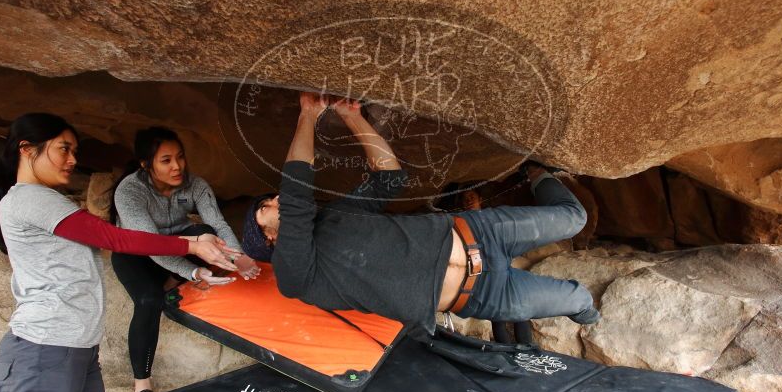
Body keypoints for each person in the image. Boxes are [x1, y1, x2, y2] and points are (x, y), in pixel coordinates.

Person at [0, 113, 238, 392]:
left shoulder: (45, 199)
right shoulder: (29, 200)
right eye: (64, 149)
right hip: (45, 349)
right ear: (27, 150)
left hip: (79, 349)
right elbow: (117, 239)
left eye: (74, 150)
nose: (73, 159)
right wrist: (191, 245)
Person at [243, 93, 599, 334]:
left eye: (270, 199)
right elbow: (295, 194)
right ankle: (595, 321)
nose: (274, 202)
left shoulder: (341, 213)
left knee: (575, 218)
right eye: (264, 209)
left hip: (481, 232)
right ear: (270, 240)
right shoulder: (295, 277)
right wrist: (308, 115)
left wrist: (352, 117)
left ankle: (536, 174)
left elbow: (389, 179)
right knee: (580, 300)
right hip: (483, 293)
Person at [110, 126, 259, 392]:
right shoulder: (130, 191)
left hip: (179, 243)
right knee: (149, 300)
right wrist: (193, 272)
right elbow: (150, 245)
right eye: (165, 160)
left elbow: (216, 223)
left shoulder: (195, 185)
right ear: (145, 164)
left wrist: (239, 257)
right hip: (137, 252)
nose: (177, 166)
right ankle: (142, 388)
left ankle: (168, 280)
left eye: (179, 157)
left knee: (204, 232)